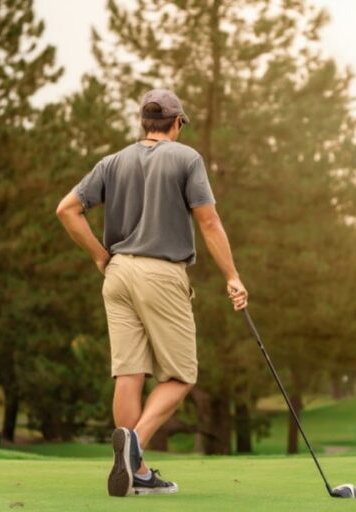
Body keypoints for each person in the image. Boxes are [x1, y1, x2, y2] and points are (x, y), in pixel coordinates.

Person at [56, 88, 247, 497]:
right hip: (160, 274)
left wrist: (99, 256)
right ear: (176, 123)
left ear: (144, 121)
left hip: (118, 274)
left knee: (130, 373)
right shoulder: (186, 158)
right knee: (180, 375)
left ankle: (136, 471)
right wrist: (232, 275)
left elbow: (66, 209)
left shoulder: (112, 162)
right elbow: (209, 222)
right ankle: (135, 444)